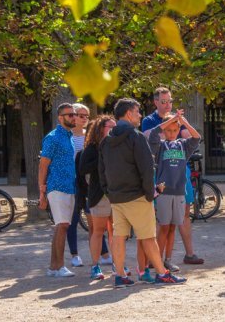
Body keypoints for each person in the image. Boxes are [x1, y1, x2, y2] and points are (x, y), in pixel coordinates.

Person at [99, 98, 186, 288]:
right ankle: (162, 274)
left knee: (119, 236)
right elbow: (147, 168)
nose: (140, 115)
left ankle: (120, 275)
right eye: (137, 112)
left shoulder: (106, 140)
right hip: (137, 195)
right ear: (129, 113)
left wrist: (109, 191)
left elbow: (102, 169)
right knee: (148, 237)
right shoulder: (136, 137)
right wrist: (149, 194)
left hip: (116, 196)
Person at [142, 87, 204, 267]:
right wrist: (169, 122)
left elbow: (193, 137)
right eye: (164, 102)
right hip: (163, 187)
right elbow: (151, 136)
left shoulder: (182, 145)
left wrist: (180, 121)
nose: (168, 104)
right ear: (156, 102)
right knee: (163, 225)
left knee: (174, 224)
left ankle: (172, 258)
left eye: (170, 101)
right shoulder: (156, 135)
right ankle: (156, 259)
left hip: (179, 186)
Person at [67, 103, 111, 268]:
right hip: (72, 181)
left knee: (94, 220)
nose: (85, 119)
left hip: (88, 183)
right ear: (73, 116)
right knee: (73, 218)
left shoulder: (89, 136)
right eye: (81, 115)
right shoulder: (67, 136)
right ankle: (74, 254)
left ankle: (104, 254)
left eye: (86, 116)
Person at [39, 103, 77, 278]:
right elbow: (43, 164)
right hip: (57, 186)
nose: (74, 117)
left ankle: (53, 267)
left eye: (74, 114)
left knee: (61, 226)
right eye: (70, 115)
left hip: (69, 186)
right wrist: (42, 191)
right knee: (62, 226)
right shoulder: (52, 137)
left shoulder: (69, 137)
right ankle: (59, 266)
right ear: (60, 118)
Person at [79, 115, 116, 280]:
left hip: (116, 194)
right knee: (98, 231)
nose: (115, 130)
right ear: (101, 128)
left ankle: (118, 263)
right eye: (111, 127)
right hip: (99, 194)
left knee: (116, 232)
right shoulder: (91, 149)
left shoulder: (118, 146)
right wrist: (102, 156)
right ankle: (95, 266)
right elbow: (82, 170)